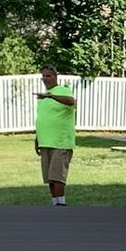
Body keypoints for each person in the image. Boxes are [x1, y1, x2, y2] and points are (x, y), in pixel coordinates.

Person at [34, 65, 76, 205]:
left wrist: (51, 96)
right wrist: (37, 139)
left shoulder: (63, 90)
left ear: (55, 76)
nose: (45, 79)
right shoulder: (42, 97)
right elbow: (43, 118)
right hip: (46, 141)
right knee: (50, 178)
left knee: (57, 177)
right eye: (43, 76)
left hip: (61, 142)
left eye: (49, 76)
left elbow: (71, 102)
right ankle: (55, 203)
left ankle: (61, 204)